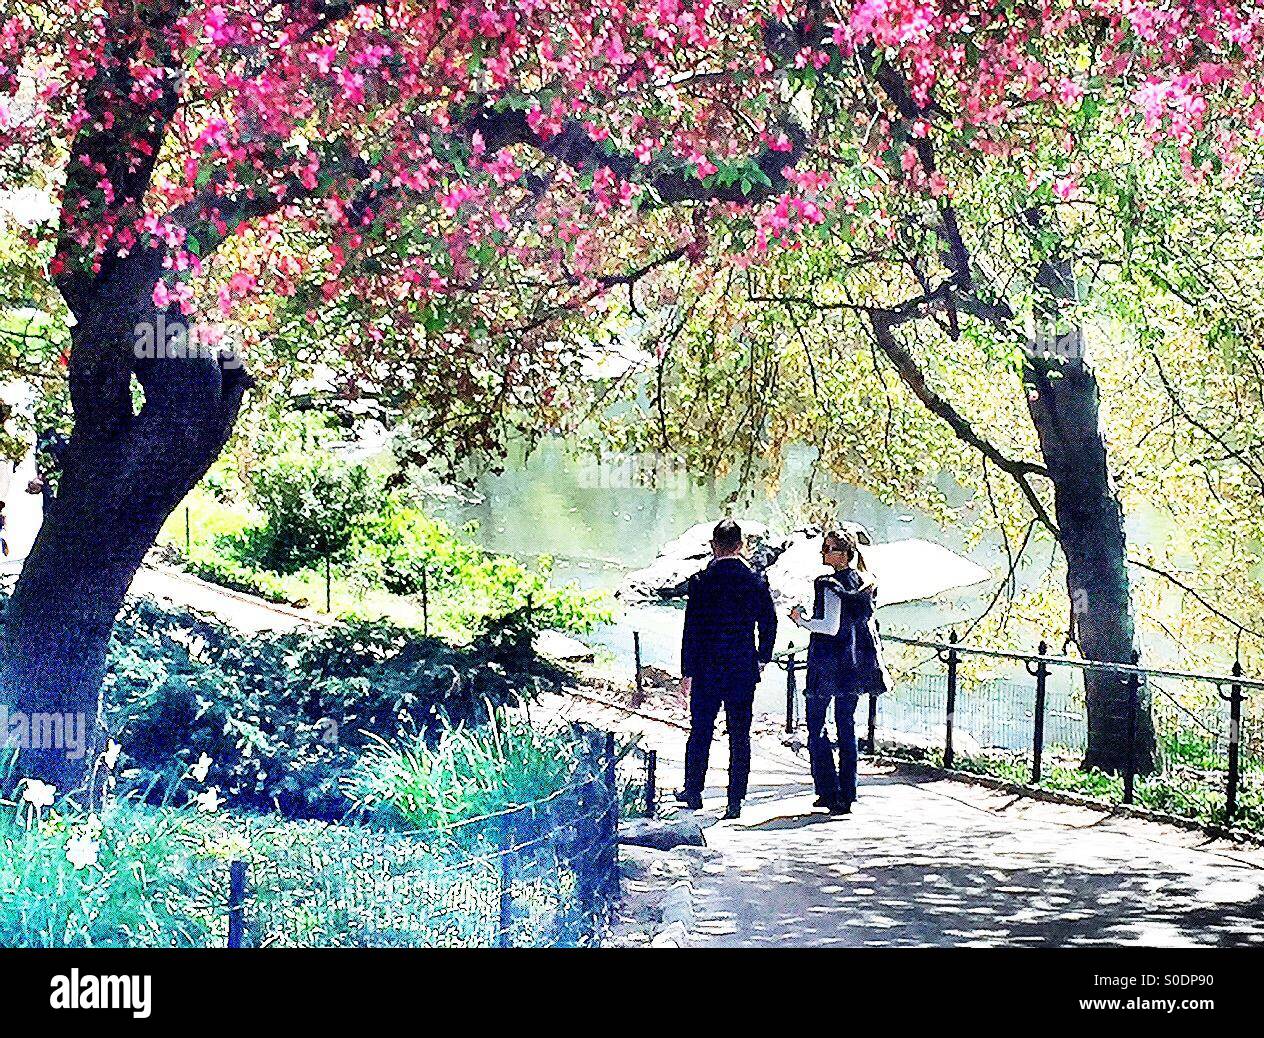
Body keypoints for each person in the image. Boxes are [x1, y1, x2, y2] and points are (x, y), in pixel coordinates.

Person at [675, 519, 777, 820]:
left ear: (713, 545)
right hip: (741, 665)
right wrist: (761, 657)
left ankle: (694, 790)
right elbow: (769, 622)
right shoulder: (755, 581)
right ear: (741, 545)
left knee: (701, 729)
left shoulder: (702, 581)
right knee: (739, 734)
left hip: (707, 666)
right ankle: (735, 798)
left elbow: (691, 629)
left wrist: (687, 670)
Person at [789, 529, 889, 815]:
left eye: (828, 548)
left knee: (816, 726)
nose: (823, 552)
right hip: (852, 665)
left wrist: (802, 620)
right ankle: (848, 791)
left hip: (826, 663)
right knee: (846, 726)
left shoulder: (828, 584)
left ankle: (827, 789)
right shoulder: (864, 583)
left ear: (843, 553)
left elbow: (829, 626)